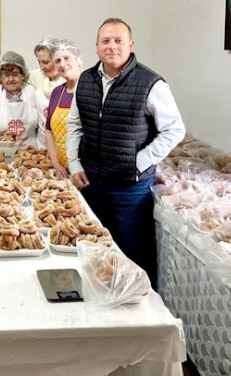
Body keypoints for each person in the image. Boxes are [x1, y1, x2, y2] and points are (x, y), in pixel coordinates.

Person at [67, 18, 186, 287]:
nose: (112, 46)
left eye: (118, 40)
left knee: (131, 254)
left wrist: (138, 162)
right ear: (96, 47)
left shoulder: (150, 83)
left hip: (129, 189)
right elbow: (75, 124)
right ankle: (97, 310)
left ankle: (136, 315)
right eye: (106, 41)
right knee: (93, 250)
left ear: (130, 45)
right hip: (91, 183)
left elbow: (174, 130)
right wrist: (75, 164)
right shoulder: (85, 80)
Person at [0, 37, 65, 147]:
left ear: (58, 59)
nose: (41, 67)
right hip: (43, 145)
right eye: (39, 62)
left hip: (65, 141)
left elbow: (16, 74)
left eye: (45, 62)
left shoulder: (69, 79)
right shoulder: (38, 76)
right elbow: (13, 74)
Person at [0, 51, 38, 156]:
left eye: (15, 74)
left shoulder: (31, 92)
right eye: (6, 75)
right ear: (0, 77)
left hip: (28, 156)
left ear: (23, 75)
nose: (11, 79)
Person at [45, 39, 84, 179]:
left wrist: (77, 168)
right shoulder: (57, 92)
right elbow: (48, 129)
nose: (62, 64)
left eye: (66, 58)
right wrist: (56, 164)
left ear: (79, 59)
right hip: (62, 170)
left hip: (85, 170)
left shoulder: (90, 89)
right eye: (58, 60)